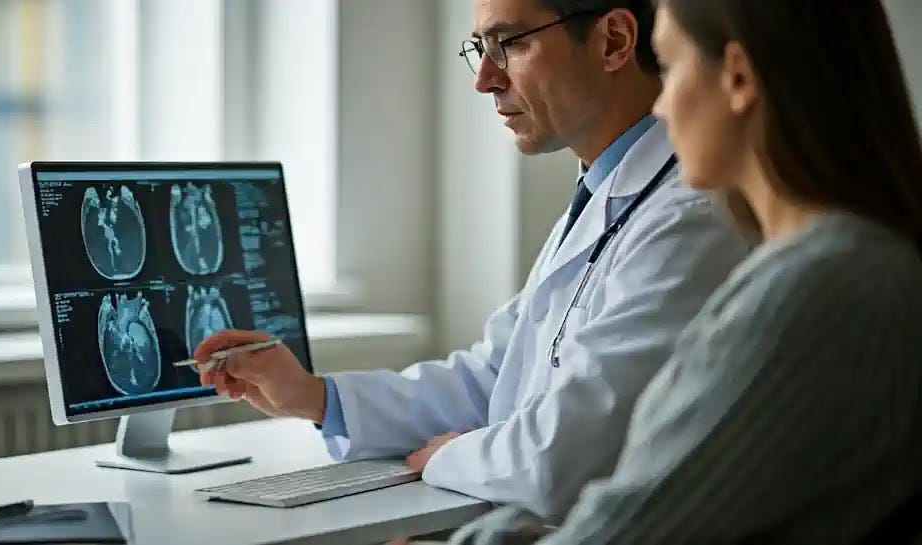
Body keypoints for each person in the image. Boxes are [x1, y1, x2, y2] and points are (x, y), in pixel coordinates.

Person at [197, 0, 748, 521]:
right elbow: (494, 376)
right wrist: (314, 397)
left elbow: (562, 460)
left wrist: (446, 456)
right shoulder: (604, 197)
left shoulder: (687, 217)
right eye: (480, 47)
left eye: (509, 43)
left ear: (614, 41)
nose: (485, 78)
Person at [443, 0, 922, 543]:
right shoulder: (845, 264)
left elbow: (629, 533)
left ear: (738, 77)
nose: (661, 108)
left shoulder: (822, 288)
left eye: (668, 70)